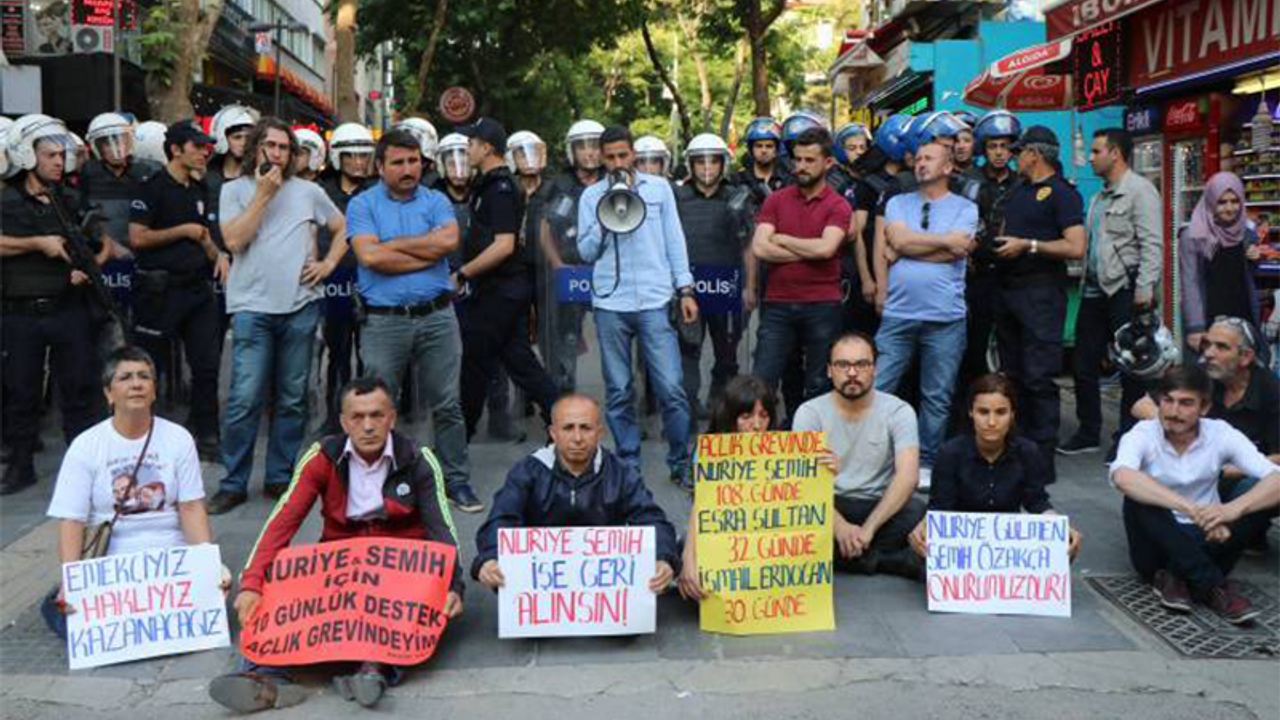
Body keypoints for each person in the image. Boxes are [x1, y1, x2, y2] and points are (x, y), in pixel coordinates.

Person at [211, 376, 464, 712]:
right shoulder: (321, 457)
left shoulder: (419, 459)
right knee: (278, 590)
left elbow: (442, 531)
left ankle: (375, 671)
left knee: (407, 613)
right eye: (357, 417)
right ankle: (263, 675)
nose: (368, 426)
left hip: (398, 574)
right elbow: (281, 522)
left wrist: (453, 586)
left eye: (377, 415)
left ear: (392, 417)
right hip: (339, 568)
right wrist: (253, 583)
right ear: (344, 421)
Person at [208, 118, 348, 514]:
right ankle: (234, 482)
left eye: (285, 148)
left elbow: (342, 227)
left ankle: (279, 477)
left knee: (292, 399)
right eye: (270, 145)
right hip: (252, 309)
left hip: (300, 307)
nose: (277, 154)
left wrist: (329, 263)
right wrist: (262, 197)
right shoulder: (234, 191)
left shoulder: (309, 191)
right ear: (254, 148)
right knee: (244, 399)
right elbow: (234, 241)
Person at [346, 129, 480, 513]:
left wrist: (391, 246)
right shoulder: (362, 204)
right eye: (398, 162)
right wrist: (425, 248)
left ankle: (456, 481)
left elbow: (448, 243)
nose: (408, 169)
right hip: (384, 322)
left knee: (448, 403)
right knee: (379, 406)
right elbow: (370, 259)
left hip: (437, 316)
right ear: (380, 166)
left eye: (413, 161)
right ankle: (381, 484)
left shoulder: (436, 200)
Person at [43, 346, 216, 638]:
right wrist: (70, 581)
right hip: (111, 567)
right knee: (57, 608)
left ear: (154, 391)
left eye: (144, 377)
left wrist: (207, 567)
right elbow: (71, 520)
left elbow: (190, 508)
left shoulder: (178, 438)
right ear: (109, 393)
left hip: (170, 562)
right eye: (125, 377)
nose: (136, 383)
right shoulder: (86, 446)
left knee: (219, 594)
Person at [1111, 365, 1280, 624]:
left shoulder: (1220, 433)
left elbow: (1275, 477)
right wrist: (1191, 509)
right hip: (1156, 548)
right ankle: (1213, 586)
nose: (1173, 411)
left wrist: (1231, 510)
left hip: (1211, 535)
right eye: (1168, 401)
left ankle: (1176, 579)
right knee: (1139, 496)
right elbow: (1123, 476)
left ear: (1204, 408)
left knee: (1255, 498)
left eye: (1186, 403)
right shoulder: (1143, 434)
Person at [577, 125, 698, 483]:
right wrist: (605, 216)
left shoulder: (658, 189)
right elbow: (584, 252)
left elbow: (675, 241)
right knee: (618, 390)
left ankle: (679, 460)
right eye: (610, 157)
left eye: (622, 155)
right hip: (610, 303)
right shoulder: (590, 197)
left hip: (654, 298)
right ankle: (628, 463)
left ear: (633, 155)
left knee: (672, 387)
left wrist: (686, 290)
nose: (617, 163)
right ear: (601, 158)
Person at [473, 394, 680, 593]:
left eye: (586, 428)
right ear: (553, 433)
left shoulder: (621, 472)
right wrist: (490, 558)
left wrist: (663, 558)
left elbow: (651, 519)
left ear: (599, 432)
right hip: (541, 588)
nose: (578, 438)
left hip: (606, 591)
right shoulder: (528, 471)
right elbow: (501, 519)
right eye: (568, 428)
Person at [0, 114, 108, 495]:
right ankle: (19, 464)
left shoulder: (70, 200)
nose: (59, 162)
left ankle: (82, 466)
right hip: (21, 311)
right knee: (21, 391)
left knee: (79, 389)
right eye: (50, 155)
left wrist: (85, 267)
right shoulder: (6, 200)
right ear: (27, 156)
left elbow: (98, 244)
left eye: (61, 155)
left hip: (68, 308)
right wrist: (36, 244)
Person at [877, 140, 979, 487]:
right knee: (878, 388)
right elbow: (911, 242)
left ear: (948, 167)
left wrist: (906, 250)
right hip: (897, 313)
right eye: (917, 158)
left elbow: (957, 248)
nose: (920, 163)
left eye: (928, 158)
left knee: (936, 396)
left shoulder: (965, 207)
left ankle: (926, 462)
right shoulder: (897, 202)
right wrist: (943, 243)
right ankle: (876, 458)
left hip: (946, 317)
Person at [127, 120, 227, 461]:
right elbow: (138, 237)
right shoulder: (152, 187)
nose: (204, 153)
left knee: (207, 366)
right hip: (159, 292)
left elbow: (205, 235)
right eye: (197, 147)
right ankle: (141, 436)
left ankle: (207, 435)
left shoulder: (199, 188)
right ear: (176, 149)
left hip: (197, 291)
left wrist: (219, 257)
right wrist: (182, 230)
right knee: (148, 368)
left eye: (206, 147)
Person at [454, 117, 559, 439]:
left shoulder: (499, 188)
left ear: (486, 148)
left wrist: (462, 273)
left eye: (470, 144)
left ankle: (460, 434)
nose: (466, 150)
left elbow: (504, 246)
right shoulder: (489, 184)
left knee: (474, 364)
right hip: (502, 290)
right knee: (519, 361)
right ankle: (562, 417)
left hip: (498, 292)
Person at [792, 332, 925, 578]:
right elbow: (800, 482)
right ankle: (884, 561)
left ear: (874, 369)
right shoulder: (809, 412)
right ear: (830, 370)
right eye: (843, 365)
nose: (852, 373)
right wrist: (840, 527)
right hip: (828, 505)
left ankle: (842, 557)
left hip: (879, 507)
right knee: (793, 516)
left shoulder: (899, 411)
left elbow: (908, 477)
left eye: (861, 364)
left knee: (915, 510)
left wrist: (868, 530)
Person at [1063, 128, 1163, 457]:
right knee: (1083, 363)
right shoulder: (1097, 197)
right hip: (1093, 290)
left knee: (1131, 366)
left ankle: (1128, 437)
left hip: (1125, 290)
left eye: (1096, 151)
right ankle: (1089, 430)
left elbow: (1152, 244)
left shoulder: (1141, 191)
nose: (1090, 157)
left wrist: (1145, 289)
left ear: (1115, 154)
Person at [908, 374, 1082, 560]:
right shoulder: (951, 453)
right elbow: (940, 506)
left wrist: (1059, 526)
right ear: (971, 413)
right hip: (960, 543)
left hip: (1006, 543)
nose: (991, 422)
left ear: (1012, 414)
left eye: (1001, 412)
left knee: (1062, 550)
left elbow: (1036, 500)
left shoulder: (1027, 451)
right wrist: (926, 526)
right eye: (983, 412)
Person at [992, 126, 1086, 473]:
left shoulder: (1063, 194)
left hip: (1041, 293)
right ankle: (1016, 449)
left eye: (1020, 152)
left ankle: (1042, 457)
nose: (1015, 157)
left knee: (1038, 377)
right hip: (1008, 291)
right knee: (1012, 375)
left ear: (1036, 154)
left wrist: (1029, 245)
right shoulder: (1018, 191)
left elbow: (1076, 246)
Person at [751, 127, 854, 410]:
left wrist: (782, 239)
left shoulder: (839, 205)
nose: (801, 167)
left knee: (819, 383)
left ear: (828, 162)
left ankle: (807, 443)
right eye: (797, 160)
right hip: (777, 304)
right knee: (764, 379)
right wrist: (810, 250)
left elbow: (827, 249)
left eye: (810, 160)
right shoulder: (776, 199)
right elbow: (760, 248)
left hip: (822, 304)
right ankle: (765, 446)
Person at [676, 375, 776, 600]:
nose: (757, 425)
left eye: (764, 415)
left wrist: (824, 470)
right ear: (731, 418)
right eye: (746, 416)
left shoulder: (785, 454)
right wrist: (688, 560)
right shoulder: (710, 453)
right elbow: (700, 508)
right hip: (722, 538)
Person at [675, 133, 751, 421]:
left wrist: (749, 286)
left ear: (724, 164)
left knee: (727, 354)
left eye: (713, 162)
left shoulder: (738, 196)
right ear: (690, 165)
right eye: (700, 162)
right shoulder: (677, 197)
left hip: (727, 286)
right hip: (689, 289)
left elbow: (749, 245)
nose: (707, 168)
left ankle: (720, 407)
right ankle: (689, 407)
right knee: (688, 350)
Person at [958, 111, 1022, 406]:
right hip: (978, 275)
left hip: (1014, 275)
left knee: (1014, 349)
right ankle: (970, 413)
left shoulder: (1021, 183)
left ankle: (1012, 413)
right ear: (984, 148)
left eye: (1005, 146)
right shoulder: (968, 183)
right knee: (973, 348)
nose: (999, 152)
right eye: (993, 146)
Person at [317, 123, 376, 433]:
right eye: (351, 155)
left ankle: (369, 415)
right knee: (337, 353)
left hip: (370, 280)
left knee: (369, 356)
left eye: (364, 155)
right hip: (333, 280)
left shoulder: (379, 191)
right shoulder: (322, 190)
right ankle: (334, 417)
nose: (359, 162)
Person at [539, 120, 605, 394]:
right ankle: (565, 390)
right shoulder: (560, 184)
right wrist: (557, 265)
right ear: (572, 151)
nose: (590, 153)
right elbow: (545, 228)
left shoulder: (613, 180)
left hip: (606, 271)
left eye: (594, 146)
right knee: (566, 333)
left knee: (614, 333)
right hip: (571, 269)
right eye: (583, 147)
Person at [1180, 172, 1264, 350]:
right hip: (1209, 319)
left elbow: (1247, 277)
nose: (1229, 208)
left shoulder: (1247, 232)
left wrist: (1255, 259)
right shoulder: (1193, 235)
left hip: (1243, 317)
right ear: (1210, 201)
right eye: (1222, 202)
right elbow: (1190, 282)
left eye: (1235, 201)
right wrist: (1196, 326)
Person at [80, 112, 163, 255]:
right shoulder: (89, 172)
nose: (117, 148)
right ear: (97, 147)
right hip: (103, 254)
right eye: (107, 143)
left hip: (145, 256)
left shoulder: (149, 170)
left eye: (121, 140)